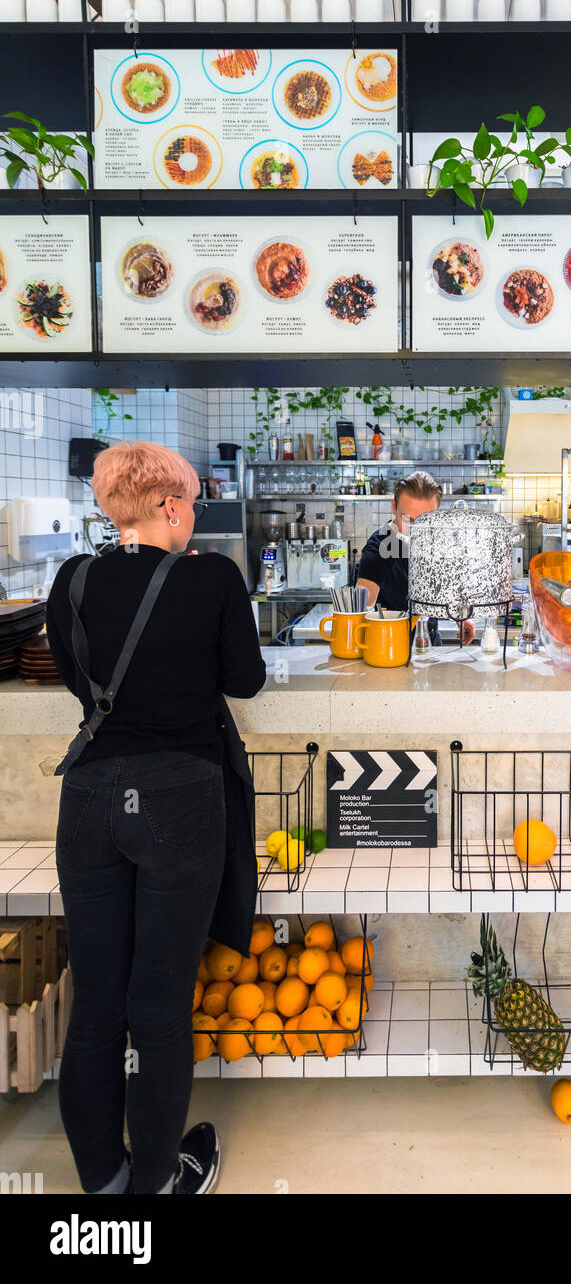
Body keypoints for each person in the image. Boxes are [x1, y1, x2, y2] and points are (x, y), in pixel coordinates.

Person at [46, 442, 265, 1196]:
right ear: (169, 507)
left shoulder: (70, 580)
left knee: (97, 1002)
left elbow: (81, 682)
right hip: (179, 798)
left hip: (90, 802)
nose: (194, 514)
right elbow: (246, 680)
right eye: (192, 503)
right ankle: (157, 1185)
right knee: (160, 1002)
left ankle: (104, 1185)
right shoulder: (210, 575)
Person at [356, 469, 474, 644]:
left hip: (429, 639)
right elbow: (360, 612)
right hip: (390, 646)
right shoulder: (379, 549)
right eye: (409, 520)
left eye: (425, 520)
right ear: (394, 507)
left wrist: (461, 617)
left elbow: (444, 586)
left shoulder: (435, 541)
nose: (417, 530)